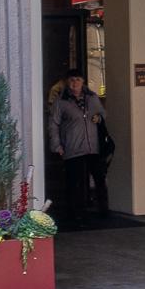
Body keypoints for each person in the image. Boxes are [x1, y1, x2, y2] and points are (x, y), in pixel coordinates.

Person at [48, 70, 108, 225]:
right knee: (74, 182)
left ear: (83, 82)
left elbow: (103, 114)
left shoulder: (92, 98)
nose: (75, 83)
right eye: (72, 80)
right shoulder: (61, 101)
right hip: (73, 147)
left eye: (78, 80)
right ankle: (74, 213)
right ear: (68, 82)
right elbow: (53, 124)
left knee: (99, 179)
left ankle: (103, 210)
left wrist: (99, 118)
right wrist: (57, 145)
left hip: (92, 146)